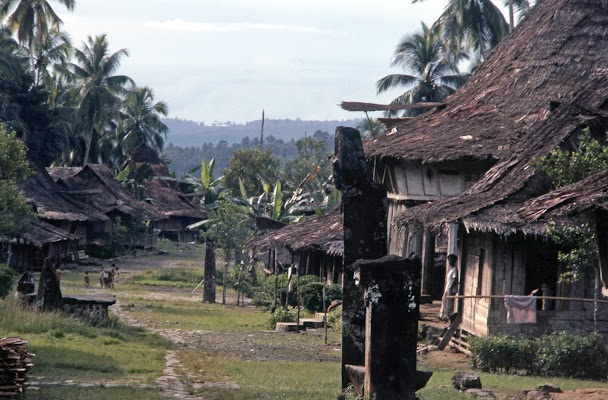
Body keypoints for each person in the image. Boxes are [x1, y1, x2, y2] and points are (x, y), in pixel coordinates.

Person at [439, 254, 458, 321]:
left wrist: (451, 287)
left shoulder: (455, 269)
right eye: (449, 260)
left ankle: (449, 318)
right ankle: (445, 316)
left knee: (449, 304)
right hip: (448, 288)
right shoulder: (451, 269)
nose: (450, 262)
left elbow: (455, 279)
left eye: (451, 260)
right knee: (444, 301)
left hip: (451, 289)